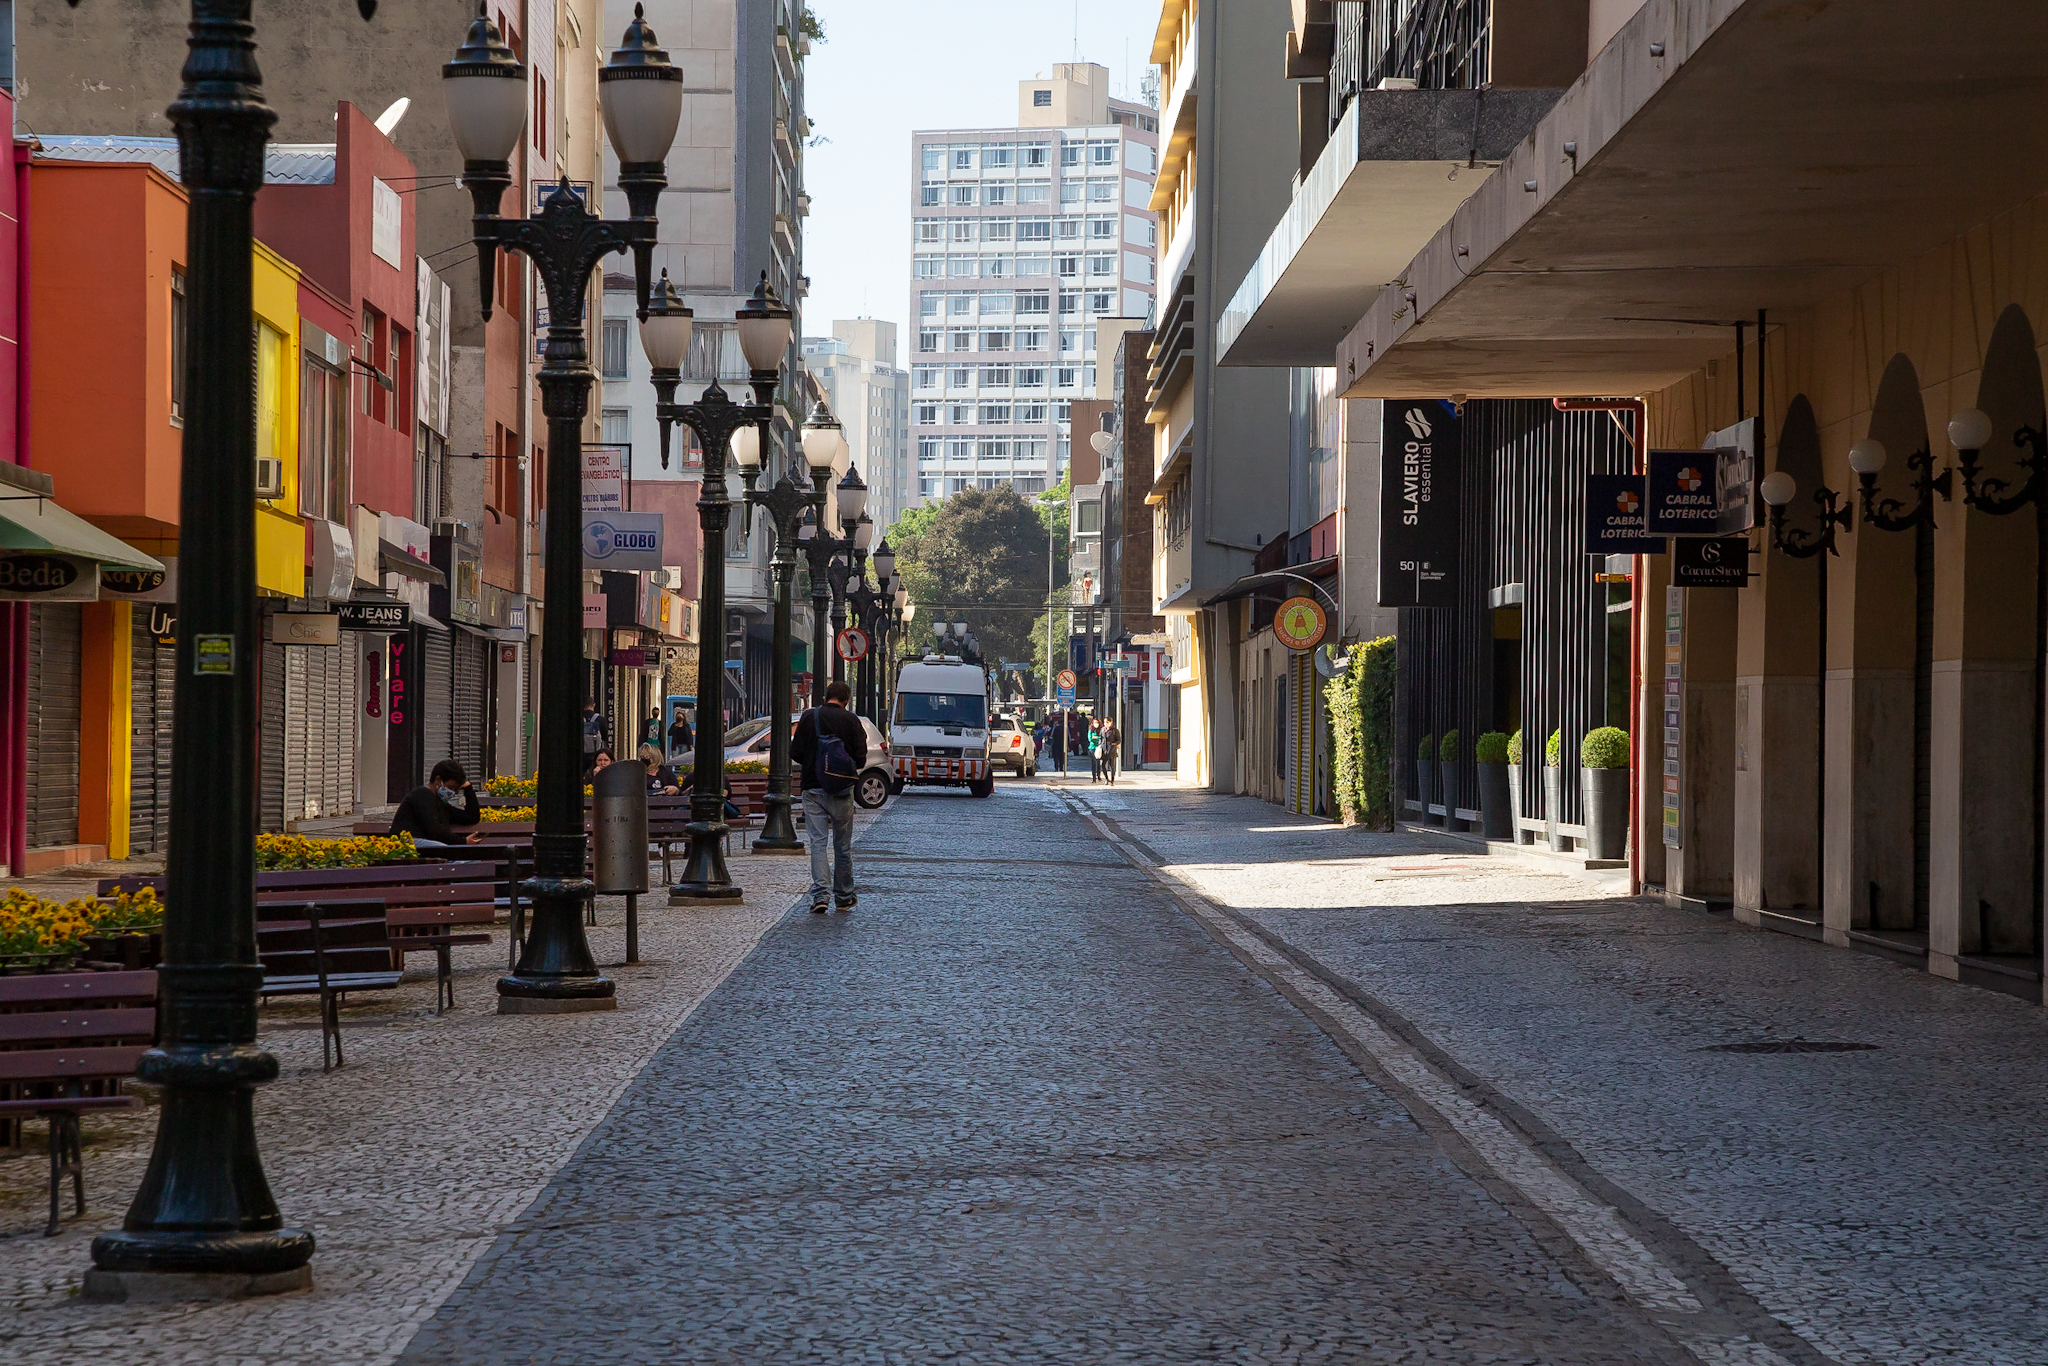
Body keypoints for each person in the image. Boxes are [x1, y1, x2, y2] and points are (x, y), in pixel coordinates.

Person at [790, 678, 867, 913]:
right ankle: (844, 896)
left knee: (818, 844)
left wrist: (816, 765)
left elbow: (796, 752)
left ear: (826, 697)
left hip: (813, 789)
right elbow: (861, 758)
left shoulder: (809, 717)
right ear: (846, 700)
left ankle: (820, 897)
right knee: (843, 846)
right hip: (842, 791)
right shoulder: (851, 720)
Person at [389, 759, 480, 847]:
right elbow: (435, 831)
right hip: (408, 844)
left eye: (457, 789)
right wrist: (462, 842)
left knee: (467, 858)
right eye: (451, 787)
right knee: (452, 853)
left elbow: (471, 817)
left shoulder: (441, 804)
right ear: (438, 780)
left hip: (429, 847)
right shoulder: (422, 796)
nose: (454, 793)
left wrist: (468, 789)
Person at [581, 702, 608, 776]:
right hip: (595, 754)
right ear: (593, 705)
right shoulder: (600, 719)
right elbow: (605, 737)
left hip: (581, 755)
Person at [1101, 717, 1122, 784]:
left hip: (1112, 750)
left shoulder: (1114, 730)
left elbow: (1119, 740)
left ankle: (1112, 780)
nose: (1106, 723)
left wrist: (1114, 744)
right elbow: (1101, 738)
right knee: (1103, 765)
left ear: (1111, 722)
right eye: (1104, 722)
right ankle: (1107, 778)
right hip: (1104, 750)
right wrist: (1100, 745)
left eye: (1107, 722)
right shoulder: (1102, 729)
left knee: (1112, 766)